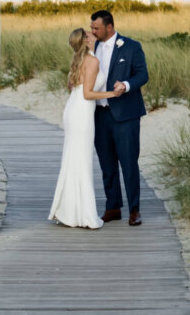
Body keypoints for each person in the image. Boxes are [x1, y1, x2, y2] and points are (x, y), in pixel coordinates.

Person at [48, 28, 123, 229]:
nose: (92, 36)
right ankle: (80, 213)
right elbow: (88, 94)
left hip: (74, 108)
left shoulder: (79, 59)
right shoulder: (92, 61)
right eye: (89, 35)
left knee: (74, 158)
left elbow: (73, 87)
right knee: (80, 160)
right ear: (86, 41)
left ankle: (69, 211)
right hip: (81, 112)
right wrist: (111, 95)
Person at [90, 9, 149, 226]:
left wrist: (126, 85)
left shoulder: (132, 46)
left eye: (96, 28)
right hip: (99, 114)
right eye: (91, 27)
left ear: (109, 26)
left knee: (128, 162)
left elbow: (143, 74)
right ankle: (113, 207)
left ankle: (135, 210)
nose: (92, 31)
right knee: (107, 164)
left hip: (126, 115)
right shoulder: (92, 47)